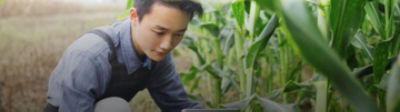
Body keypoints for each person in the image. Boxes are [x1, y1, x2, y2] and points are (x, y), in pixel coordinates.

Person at [44, 0, 203, 111]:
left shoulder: (156, 53)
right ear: (134, 16)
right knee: (115, 107)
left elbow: (178, 106)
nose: (167, 45)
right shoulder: (89, 56)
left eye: (178, 34)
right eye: (159, 32)